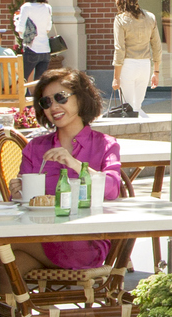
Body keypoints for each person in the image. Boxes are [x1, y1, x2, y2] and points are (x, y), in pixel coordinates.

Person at [8, 67, 126, 274]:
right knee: (10, 265)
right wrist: (18, 194)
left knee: (4, 246)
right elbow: (25, 204)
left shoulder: (105, 145)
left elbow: (112, 188)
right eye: (46, 102)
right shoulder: (36, 148)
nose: (54, 106)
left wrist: (74, 163)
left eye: (61, 97)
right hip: (40, 237)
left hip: (84, 242)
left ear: (80, 98)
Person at [112, 0, 160, 116]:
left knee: (128, 108)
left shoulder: (120, 19)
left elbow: (119, 49)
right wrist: (156, 71)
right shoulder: (150, 17)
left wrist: (116, 77)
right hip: (145, 65)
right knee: (137, 107)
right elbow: (156, 45)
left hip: (128, 65)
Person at [14, 0, 53, 84]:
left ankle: (26, 98)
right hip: (45, 50)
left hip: (31, 48)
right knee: (40, 83)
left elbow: (20, 30)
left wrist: (16, 20)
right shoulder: (47, 7)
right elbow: (48, 28)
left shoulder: (27, 7)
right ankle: (38, 99)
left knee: (23, 79)